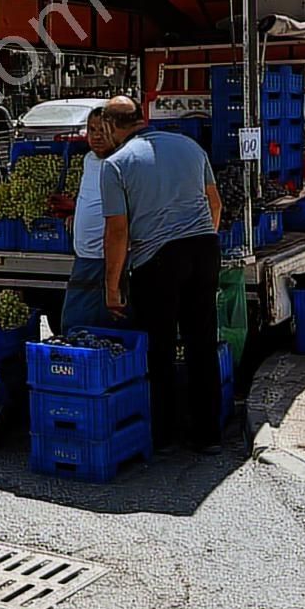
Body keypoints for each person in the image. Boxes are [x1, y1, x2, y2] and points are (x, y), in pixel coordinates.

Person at [99, 96, 225, 452]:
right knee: (202, 341)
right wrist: (202, 238)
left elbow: (118, 232)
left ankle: (165, 433)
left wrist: (112, 287)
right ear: (142, 118)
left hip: (158, 260)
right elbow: (214, 203)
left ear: (110, 126)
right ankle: (207, 435)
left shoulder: (117, 165)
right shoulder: (189, 146)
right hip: (203, 248)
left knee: (161, 346)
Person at [59, 108, 121, 332]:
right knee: (76, 323)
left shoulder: (121, 162)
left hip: (104, 258)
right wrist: (76, 215)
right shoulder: (89, 159)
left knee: (83, 323)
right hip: (85, 255)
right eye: (92, 129)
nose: (96, 136)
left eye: (103, 130)